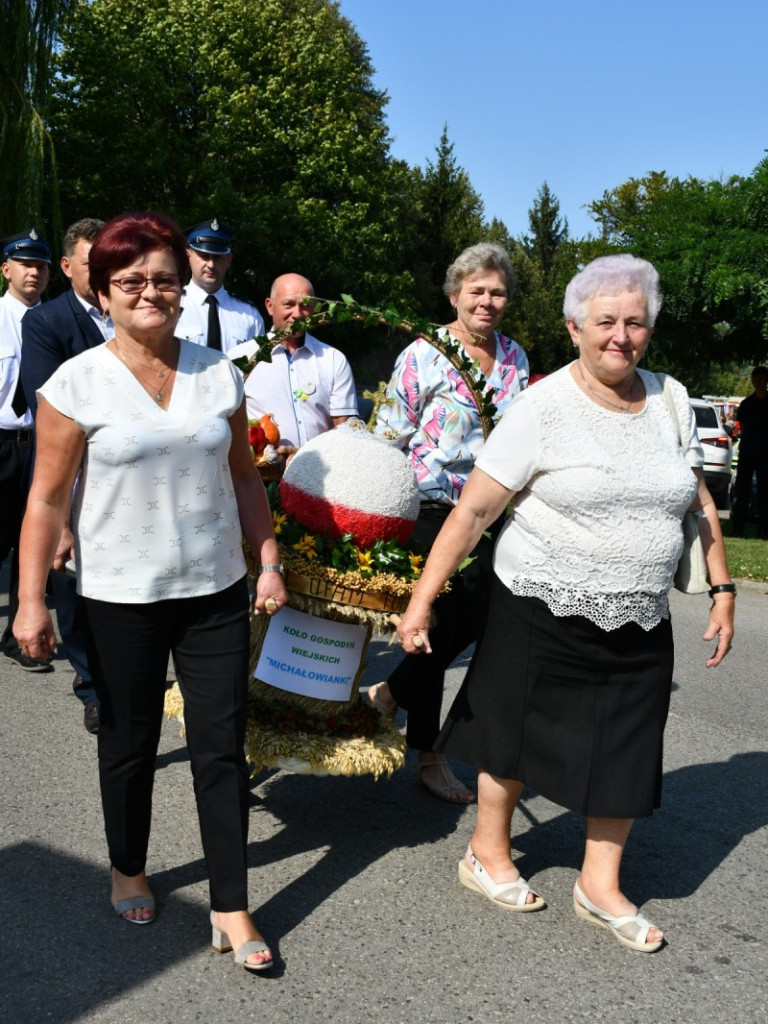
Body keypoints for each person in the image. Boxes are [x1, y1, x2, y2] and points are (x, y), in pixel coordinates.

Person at [396, 254, 734, 952]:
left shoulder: (670, 399)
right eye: (605, 321)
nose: (621, 335)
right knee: (515, 731)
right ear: (574, 326)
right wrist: (422, 600)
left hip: (639, 609)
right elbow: (472, 512)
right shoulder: (542, 405)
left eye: (635, 322)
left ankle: (599, 883)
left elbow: (698, 499)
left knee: (629, 745)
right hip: (538, 598)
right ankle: (487, 853)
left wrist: (723, 586)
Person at [14, 212, 287, 972]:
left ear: (182, 287)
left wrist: (266, 557)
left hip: (213, 590)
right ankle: (128, 866)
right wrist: (32, 599)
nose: (150, 292)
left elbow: (242, 475)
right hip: (119, 594)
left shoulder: (218, 373)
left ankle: (230, 906)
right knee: (130, 743)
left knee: (220, 749)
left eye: (164, 278)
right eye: (131, 280)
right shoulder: (75, 383)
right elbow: (43, 498)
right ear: (101, 291)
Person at [370, 243, 529, 803]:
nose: (487, 301)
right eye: (477, 291)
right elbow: (390, 435)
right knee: (434, 625)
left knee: (485, 621)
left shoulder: (516, 360)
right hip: (429, 508)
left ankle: (391, 693)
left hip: (489, 512)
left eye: (497, 292)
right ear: (455, 294)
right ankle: (432, 757)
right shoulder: (423, 354)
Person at [21, 217, 110, 732]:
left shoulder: (130, 315)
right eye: (90, 260)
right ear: (68, 266)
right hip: (70, 475)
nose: (100, 270)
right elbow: (48, 405)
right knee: (73, 587)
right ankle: (91, 687)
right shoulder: (47, 323)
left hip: (124, 476)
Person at [0, 228, 52, 672]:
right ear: (6, 270)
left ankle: (17, 634)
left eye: (41, 265)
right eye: (25, 264)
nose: (33, 272)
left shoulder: (53, 323)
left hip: (39, 443)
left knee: (29, 541)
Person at [228, 273, 358, 447]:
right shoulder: (239, 358)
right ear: (270, 306)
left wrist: (305, 459)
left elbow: (346, 430)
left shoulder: (333, 359)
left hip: (321, 471)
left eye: (305, 305)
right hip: (263, 472)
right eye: (288, 304)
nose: (297, 314)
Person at [175, 218, 264, 353]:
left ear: (228, 260)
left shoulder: (249, 315)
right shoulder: (171, 305)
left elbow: (259, 368)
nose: (211, 265)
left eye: (218, 257)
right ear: (188, 256)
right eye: (204, 256)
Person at [730, 365, 768, 540]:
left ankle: (764, 531)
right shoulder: (746, 404)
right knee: (742, 491)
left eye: (763, 379)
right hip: (747, 452)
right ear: (753, 381)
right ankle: (738, 528)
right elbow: (742, 428)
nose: (760, 383)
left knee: (764, 493)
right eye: (757, 379)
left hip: (766, 454)